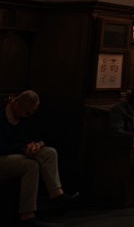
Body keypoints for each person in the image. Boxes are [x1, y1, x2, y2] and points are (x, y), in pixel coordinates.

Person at [0, 90, 78, 225]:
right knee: (30, 165)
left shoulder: (22, 118)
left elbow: (29, 136)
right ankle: (27, 215)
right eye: (26, 112)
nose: (27, 115)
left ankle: (56, 194)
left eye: (30, 113)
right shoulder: (1, 117)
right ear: (16, 104)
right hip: (4, 155)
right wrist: (23, 148)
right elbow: (4, 145)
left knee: (50, 153)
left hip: (18, 151)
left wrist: (36, 144)